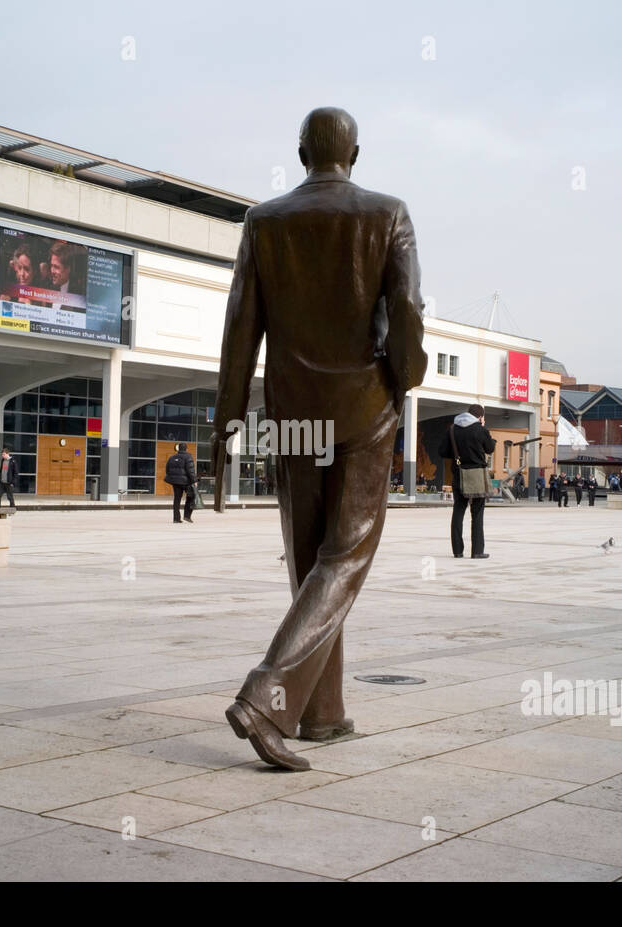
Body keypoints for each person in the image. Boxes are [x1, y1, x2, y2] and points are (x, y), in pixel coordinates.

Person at [212, 107, 428, 771]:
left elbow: (240, 326)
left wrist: (228, 418)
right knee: (344, 558)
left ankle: (323, 712)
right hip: (363, 409)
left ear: (301, 151)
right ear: (354, 153)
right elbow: (410, 311)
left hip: (293, 413)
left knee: (312, 563)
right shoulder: (387, 212)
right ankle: (267, 696)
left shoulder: (263, 221)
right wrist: (404, 377)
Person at [440, 404, 496, 559]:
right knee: (477, 513)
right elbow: (490, 448)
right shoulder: (480, 429)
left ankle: (457, 551)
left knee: (458, 511)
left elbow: (443, 451)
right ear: (480, 417)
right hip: (476, 474)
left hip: (458, 473)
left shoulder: (452, 429)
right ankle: (477, 551)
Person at [164, 442, 198, 523]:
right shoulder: (188, 457)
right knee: (191, 497)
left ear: (178, 449)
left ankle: (176, 518)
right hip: (186, 482)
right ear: (186, 449)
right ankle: (187, 516)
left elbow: (167, 470)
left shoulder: (172, 457)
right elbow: (191, 471)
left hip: (175, 482)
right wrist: (194, 481)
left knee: (177, 499)